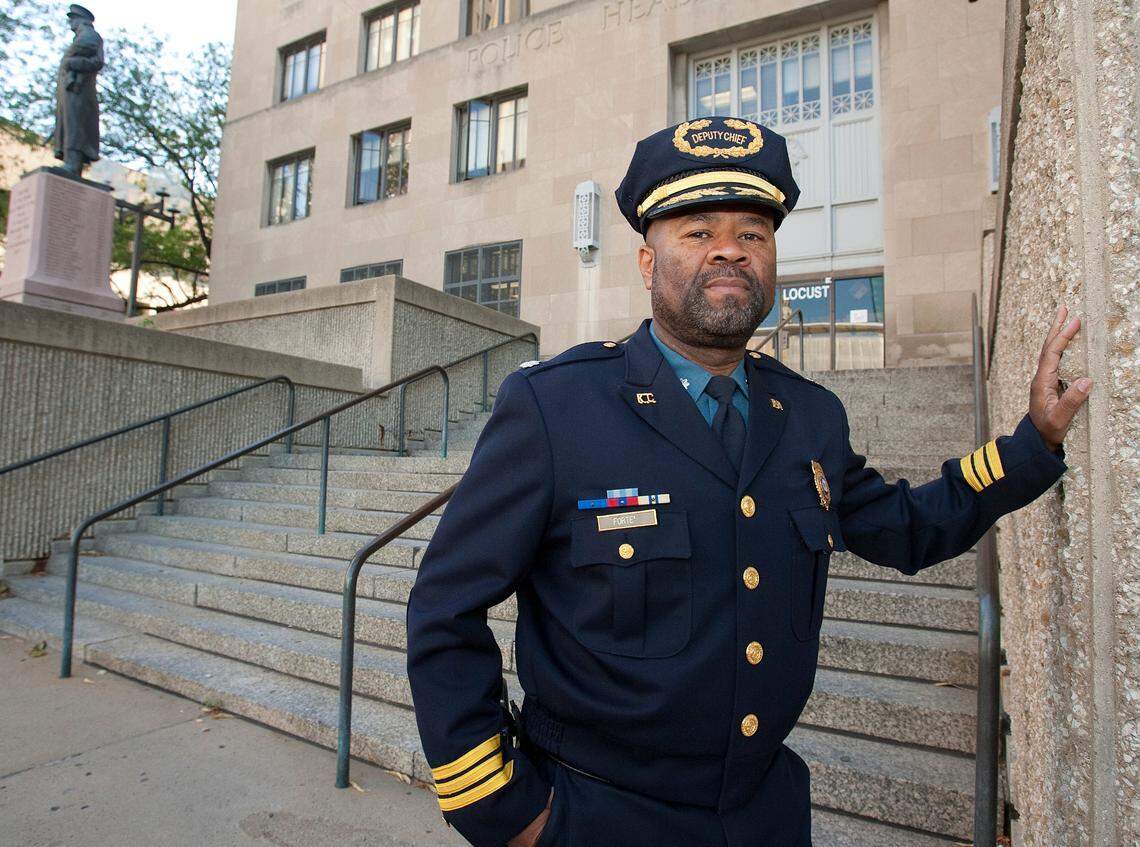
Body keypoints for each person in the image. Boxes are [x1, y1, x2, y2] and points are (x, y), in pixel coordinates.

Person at [405, 116, 1090, 847]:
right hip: (595, 813)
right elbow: (445, 608)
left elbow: (905, 525)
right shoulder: (554, 408)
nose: (730, 247)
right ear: (645, 261)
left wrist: (1032, 443)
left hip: (765, 812)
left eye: (753, 234)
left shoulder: (809, 416)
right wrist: (511, 812)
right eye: (697, 231)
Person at [50, 4, 104, 177]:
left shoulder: (89, 36)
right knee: (70, 124)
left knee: (75, 125)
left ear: (81, 20)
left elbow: (94, 58)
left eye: (72, 19)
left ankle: (73, 165)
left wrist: (70, 62)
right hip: (72, 91)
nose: (70, 23)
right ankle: (72, 164)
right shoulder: (82, 37)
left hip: (78, 91)